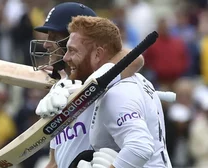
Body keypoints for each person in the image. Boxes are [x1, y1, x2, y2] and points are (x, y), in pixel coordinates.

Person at [30, 2, 143, 168]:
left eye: (53, 37)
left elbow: (135, 58)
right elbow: (54, 162)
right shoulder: (59, 91)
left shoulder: (106, 83)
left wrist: (90, 86)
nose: (46, 44)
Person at [61, 16, 171, 167]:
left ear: (98, 54)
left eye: (72, 51)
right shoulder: (133, 80)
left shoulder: (117, 92)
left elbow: (140, 147)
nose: (65, 57)